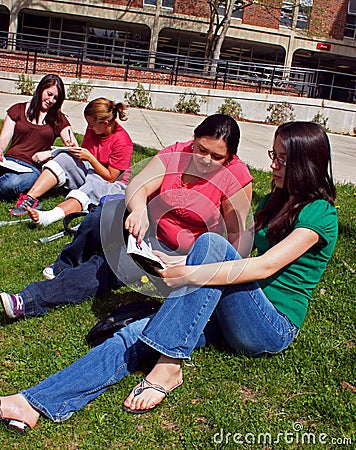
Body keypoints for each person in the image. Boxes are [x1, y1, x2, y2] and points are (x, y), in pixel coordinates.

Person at [0, 121, 338, 431]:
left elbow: (263, 266)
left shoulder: (321, 213)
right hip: (232, 309)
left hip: (270, 325)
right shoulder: (275, 200)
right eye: (273, 156)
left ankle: (170, 363)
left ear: (305, 164)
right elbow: (239, 257)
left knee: (210, 243)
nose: (273, 165)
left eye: (281, 159)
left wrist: (189, 271)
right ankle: (33, 402)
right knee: (133, 335)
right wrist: (176, 264)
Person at [0, 113, 253, 318]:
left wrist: (187, 262)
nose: (206, 160)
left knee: (108, 267)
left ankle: (29, 299)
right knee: (107, 211)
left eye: (217, 157)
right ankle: (64, 264)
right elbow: (139, 185)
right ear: (193, 139)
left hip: (178, 255)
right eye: (201, 150)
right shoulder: (178, 152)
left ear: (231, 157)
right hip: (146, 231)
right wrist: (140, 209)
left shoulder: (236, 178)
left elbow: (234, 243)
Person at [9, 98, 133, 225]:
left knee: (93, 185)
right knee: (64, 157)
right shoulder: (94, 130)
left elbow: (111, 177)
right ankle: (30, 198)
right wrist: (74, 149)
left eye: (92, 124)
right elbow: (85, 153)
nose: (89, 127)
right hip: (92, 170)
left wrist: (90, 157)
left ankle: (49, 217)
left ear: (106, 123)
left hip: (111, 183)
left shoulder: (122, 142)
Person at [0, 73, 77, 201]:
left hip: (32, 168)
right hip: (10, 161)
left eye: (55, 98)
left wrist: (50, 153)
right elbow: (3, 139)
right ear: (41, 89)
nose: (51, 100)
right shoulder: (17, 109)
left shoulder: (59, 120)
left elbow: (74, 148)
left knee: (11, 184)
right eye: (49, 94)